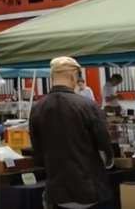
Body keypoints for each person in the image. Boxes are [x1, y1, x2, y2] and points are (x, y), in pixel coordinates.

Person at [30, 57, 113, 209]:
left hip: (56, 190)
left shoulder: (37, 108)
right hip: (88, 188)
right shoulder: (88, 105)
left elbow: (37, 152)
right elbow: (104, 145)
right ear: (72, 76)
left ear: (52, 77)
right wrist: (108, 160)